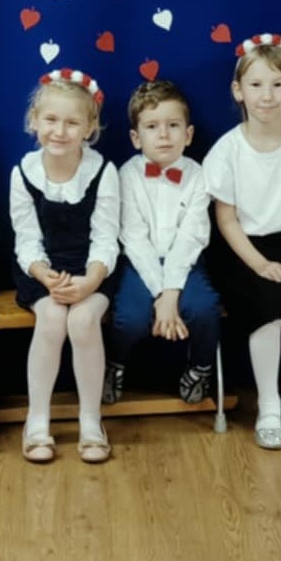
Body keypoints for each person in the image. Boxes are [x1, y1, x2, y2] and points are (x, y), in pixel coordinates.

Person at [204, 35, 281, 452]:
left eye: (278, 85)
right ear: (238, 90)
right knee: (270, 312)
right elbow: (226, 218)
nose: (267, 95)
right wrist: (259, 265)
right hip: (243, 251)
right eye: (256, 85)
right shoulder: (227, 150)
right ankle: (269, 407)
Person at [8, 69, 120, 464]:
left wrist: (91, 281)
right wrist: (43, 274)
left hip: (92, 268)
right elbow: (26, 239)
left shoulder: (103, 171)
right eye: (51, 120)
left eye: (72, 123)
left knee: (83, 321)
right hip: (42, 268)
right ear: (34, 121)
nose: (59, 131)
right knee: (53, 319)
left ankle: (91, 420)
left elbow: (106, 237)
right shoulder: (23, 172)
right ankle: (37, 420)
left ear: (89, 127)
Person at [109, 78, 220, 410]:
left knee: (204, 309)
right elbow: (133, 238)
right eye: (152, 127)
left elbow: (191, 238)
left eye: (173, 125)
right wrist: (161, 293)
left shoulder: (199, 175)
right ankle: (114, 364)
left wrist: (171, 293)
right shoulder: (126, 175)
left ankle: (201, 367)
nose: (163, 135)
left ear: (188, 134)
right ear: (135, 138)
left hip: (186, 261)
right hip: (139, 262)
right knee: (128, 318)